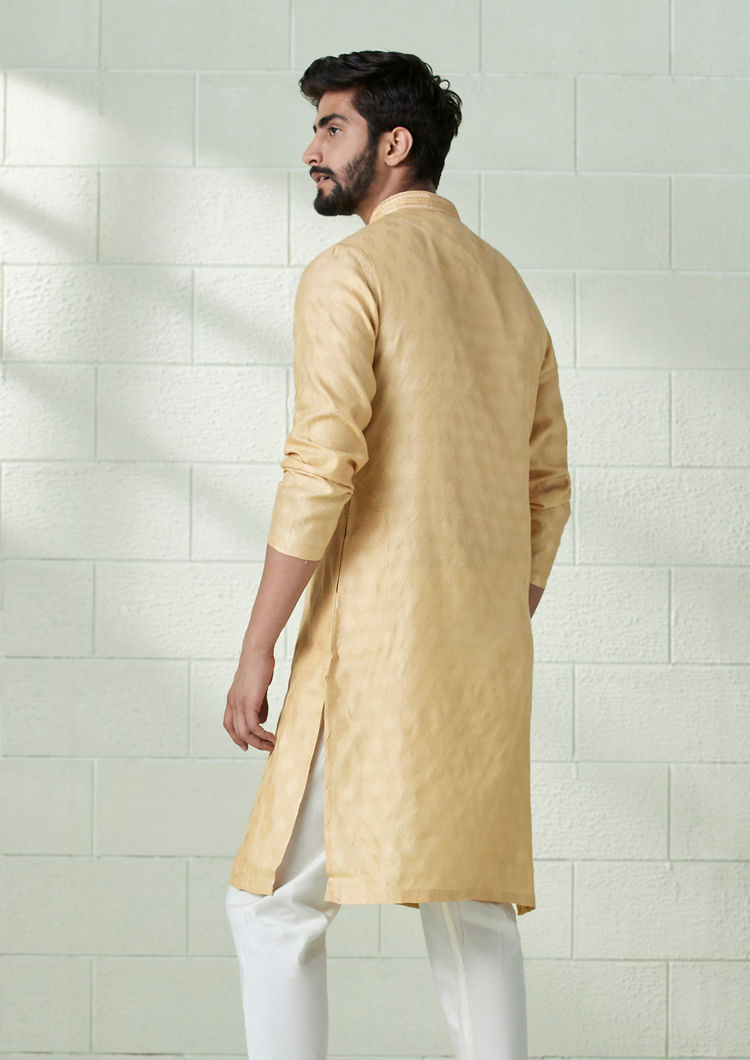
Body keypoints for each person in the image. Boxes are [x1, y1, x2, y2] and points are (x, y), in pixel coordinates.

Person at [223, 49, 570, 1060]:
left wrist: (258, 644)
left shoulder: (351, 272)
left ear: (394, 143)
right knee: (470, 904)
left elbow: (322, 462)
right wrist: (491, 612)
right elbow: (548, 486)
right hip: (484, 654)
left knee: (273, 903)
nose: (311, 149)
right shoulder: (507, 289)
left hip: (373, 646)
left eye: (330, 128)